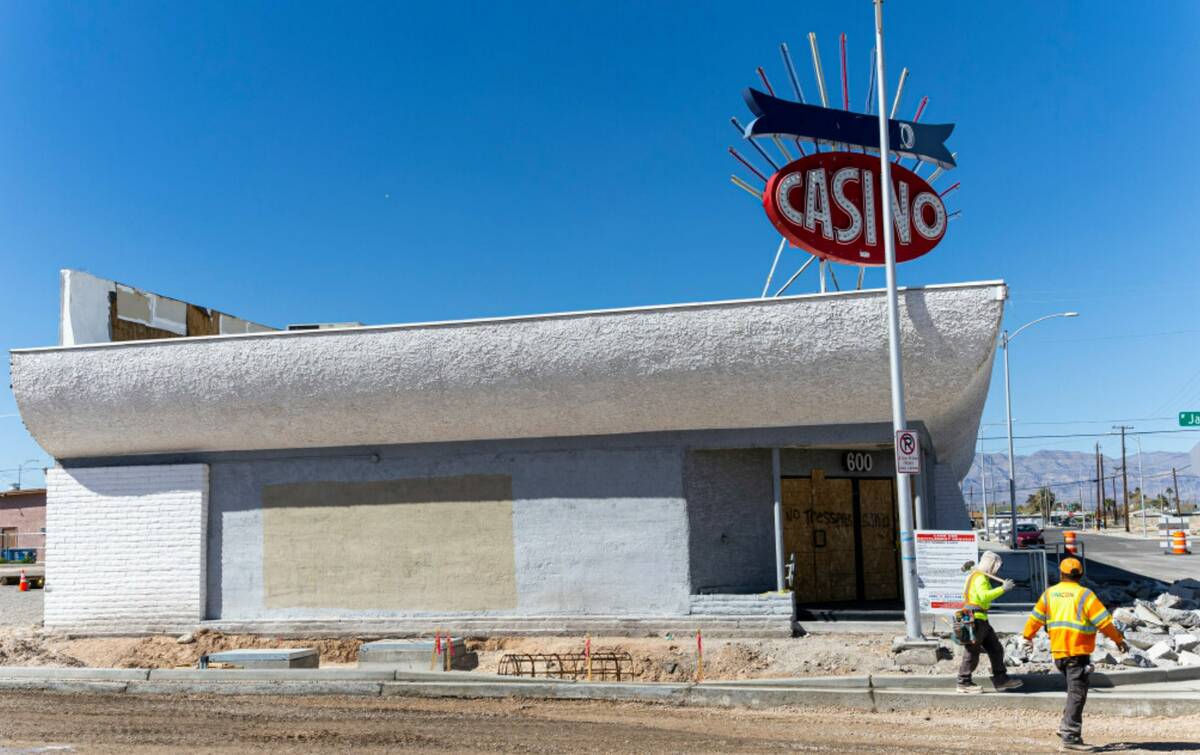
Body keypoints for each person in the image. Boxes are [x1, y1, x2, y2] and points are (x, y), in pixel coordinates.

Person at [1022, 557, 1128, 752]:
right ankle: (1070, 735)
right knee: (1077, 694)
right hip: (1077, 652)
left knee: (1074, 691)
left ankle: (1066, 727)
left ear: (1061, 574)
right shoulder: (1085, 595)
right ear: (1080, 575)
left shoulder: (1049, 594)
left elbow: (1035, 618)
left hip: (1059, 653)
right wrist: (1119, 640)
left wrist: (1027, 637)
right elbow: (1103, 622)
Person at [957, 550, 1023, 693]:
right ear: (991, 565)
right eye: (996, 567)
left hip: (978, 618)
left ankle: (1001, 680)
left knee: (996, 649)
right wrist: (1002, 589)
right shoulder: (979, 577)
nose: (996, 570)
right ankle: (964, 682)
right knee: (972, 651)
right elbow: (983, 597)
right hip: (975, 618)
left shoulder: (974, 576)